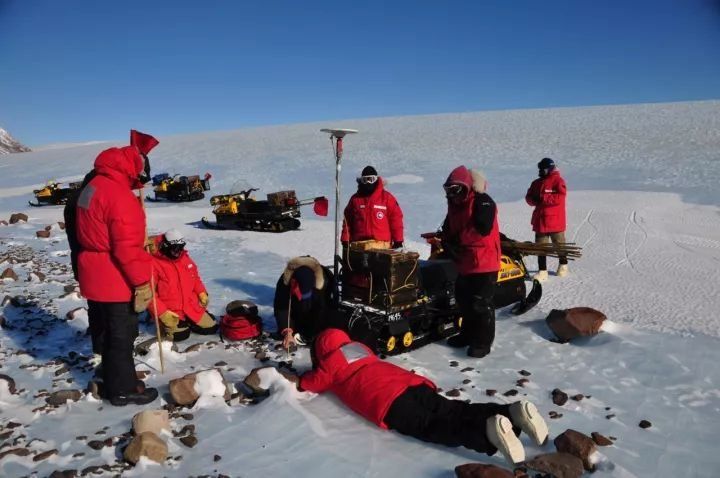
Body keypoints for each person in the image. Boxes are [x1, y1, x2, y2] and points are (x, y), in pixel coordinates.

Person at [293, 329, 548, 466]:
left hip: (389, 402)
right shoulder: (359, 349)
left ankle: (486, 434)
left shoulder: (330, 364)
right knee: (451, 409)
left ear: (321, 352)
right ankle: (510, 412)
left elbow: (311, 384)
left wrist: (295, 376)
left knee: (433, 426)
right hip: (410, 383)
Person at [75, 130, 159, 406]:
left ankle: (112, 376)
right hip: (114, 278)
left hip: (93, 271)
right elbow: (126, 250)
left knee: (107, 331)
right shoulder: (120, 197)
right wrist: (142, 282)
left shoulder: (94, 186)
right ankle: (122, 390)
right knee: (122, 335)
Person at [441, 166, 500, 358]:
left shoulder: (483, 202)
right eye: (449, 190)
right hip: (465, 262)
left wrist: (458, 240)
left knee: (481, 304)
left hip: (484, 261)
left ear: (466, 187)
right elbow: (448, 228)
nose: (451, 194)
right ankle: (467, 334)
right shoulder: (455, 206)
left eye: (455, 189)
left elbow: (481, 228)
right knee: (464, 302)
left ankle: (483, 342)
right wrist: (447, 242)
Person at [149, 229, 217, 341]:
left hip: (190, 306)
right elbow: (149, 295)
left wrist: (201, 292)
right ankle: (168, 324)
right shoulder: (153, 263)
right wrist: (162, 313)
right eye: (174, 248)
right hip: (170, 311)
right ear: (165, 246)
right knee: (181, 335)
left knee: (211, 328)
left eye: (181, 247)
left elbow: (195, 278)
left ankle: (189, 320)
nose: (178, 251)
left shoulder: (185, 258)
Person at [273, 256, 334, 349]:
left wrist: (313, 334)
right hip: (296, 314)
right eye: (300, 293)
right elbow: (281, 307)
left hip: (313, 314)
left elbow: (322, 310)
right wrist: (287, 332)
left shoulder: (323, 282)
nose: (300, 296)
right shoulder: (285, 282)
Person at [525, 157, 568, 281]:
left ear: (549, 169)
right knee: (540, 247)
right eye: (540, 169)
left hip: (555, 221)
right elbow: (528, 197)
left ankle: (563, 265)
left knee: (559, 244)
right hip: (540, 221)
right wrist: (533, 200)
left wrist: (543, 198)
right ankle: (542, 271)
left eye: (542, 169)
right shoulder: (536, 183)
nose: (540, 171)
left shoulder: (558, 181)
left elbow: (560, 197)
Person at [341, 166, 404, 250]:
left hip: (382, 245)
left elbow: (396, 219)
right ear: (361, 180)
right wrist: (345, 239)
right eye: (365, 179)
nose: (368, 182)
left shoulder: (387, 198)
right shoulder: (355, 200)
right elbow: (347, 220)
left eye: (371, 179)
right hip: (360, 245)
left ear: (376, 179)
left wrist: (398, 240)